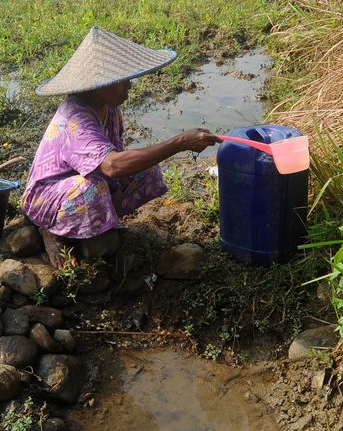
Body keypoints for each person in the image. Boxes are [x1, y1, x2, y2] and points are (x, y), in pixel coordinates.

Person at [19, 27, 219, 269]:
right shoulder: (76, 117)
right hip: (48, 196)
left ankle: (97, 226)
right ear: (96, 84)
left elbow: (117, 156)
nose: (129, 87)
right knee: (93, 188)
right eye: (121, 82)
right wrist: (179, 142)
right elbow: (112, 165)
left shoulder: (109, 108)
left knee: (148, 170)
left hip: (86, 180)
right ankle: (53, 231)